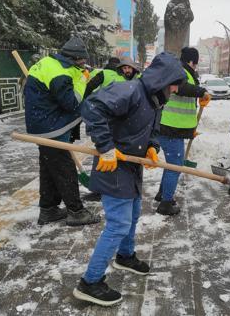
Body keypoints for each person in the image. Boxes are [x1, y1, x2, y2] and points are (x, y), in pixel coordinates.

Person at [73, 52, 186, 306]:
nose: (177, 88)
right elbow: (92, 107)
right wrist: (105, 147)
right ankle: (90, 282)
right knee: (117, 224)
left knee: (133, 214)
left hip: (131, 167)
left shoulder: (156, 99)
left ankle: (125, 256)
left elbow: (153, 129)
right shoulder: (131, 91)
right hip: (113, 165)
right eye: (175, 83)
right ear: (163, 79)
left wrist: (152, 147)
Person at [24, 36, 100, 226]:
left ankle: (48, 209)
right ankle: (76, 211)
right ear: (74, 58)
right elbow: (71, 103)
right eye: (82, 61)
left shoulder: (50, 63)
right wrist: (83, 80)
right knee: (65, 169)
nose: (84, 64)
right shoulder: (60, 73)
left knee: (50, 168)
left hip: (41, 123)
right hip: (50, 126)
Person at [154, 47, 211, 216]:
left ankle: (162, 194)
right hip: (170, 128)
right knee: (175, 167)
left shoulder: (182, 71)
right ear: (193, 61)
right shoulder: (180, 72)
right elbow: (181, 88)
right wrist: (201, 92)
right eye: (196, 62)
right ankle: (166, 203)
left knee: (171, 164)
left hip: (173, 127)